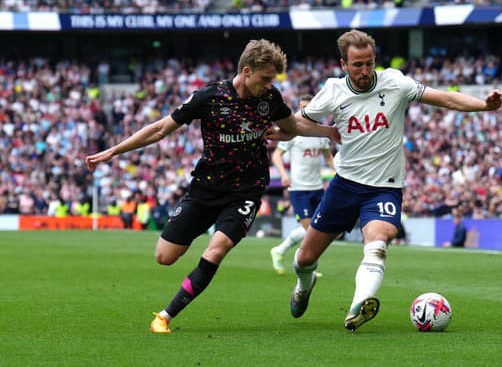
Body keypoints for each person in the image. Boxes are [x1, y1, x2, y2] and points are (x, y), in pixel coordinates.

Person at [85, 39, 338, 334]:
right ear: (246, 71)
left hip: (247, 190)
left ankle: (165, 315)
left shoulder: (269, 99)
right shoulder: (210, 97)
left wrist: (328, 132)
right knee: (164, 257)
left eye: (273, 80)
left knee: (217, 249)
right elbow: (160, 128)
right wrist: (114, 151)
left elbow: (293, 127)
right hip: (206, 188)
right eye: (265, 78)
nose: (270, 85)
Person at [265, 29, 502, 332]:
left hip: (384, 187)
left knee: (378, 243)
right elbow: (301, 122)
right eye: (357, 65)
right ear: (343, 64)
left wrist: (484, 105)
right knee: (304, 258)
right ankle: (305, 283)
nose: (365, 71)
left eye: (369, 63)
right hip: (344, 185)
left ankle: (358, 306)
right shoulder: (333, 90)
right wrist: (283, 130)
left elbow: (444, 98)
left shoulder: (395, 83)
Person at [269, 94, 336, 275]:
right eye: (301, 108)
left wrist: (339, 172)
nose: (304, 112)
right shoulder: (293, 133)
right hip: (299, 189)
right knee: (311, 231)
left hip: (316, 188)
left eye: (307, 107)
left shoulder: (319, 133)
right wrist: (283, 174)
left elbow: (328, 158)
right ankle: (307, 267)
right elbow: (276, 155)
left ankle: (280, 250)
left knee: (317, 229)